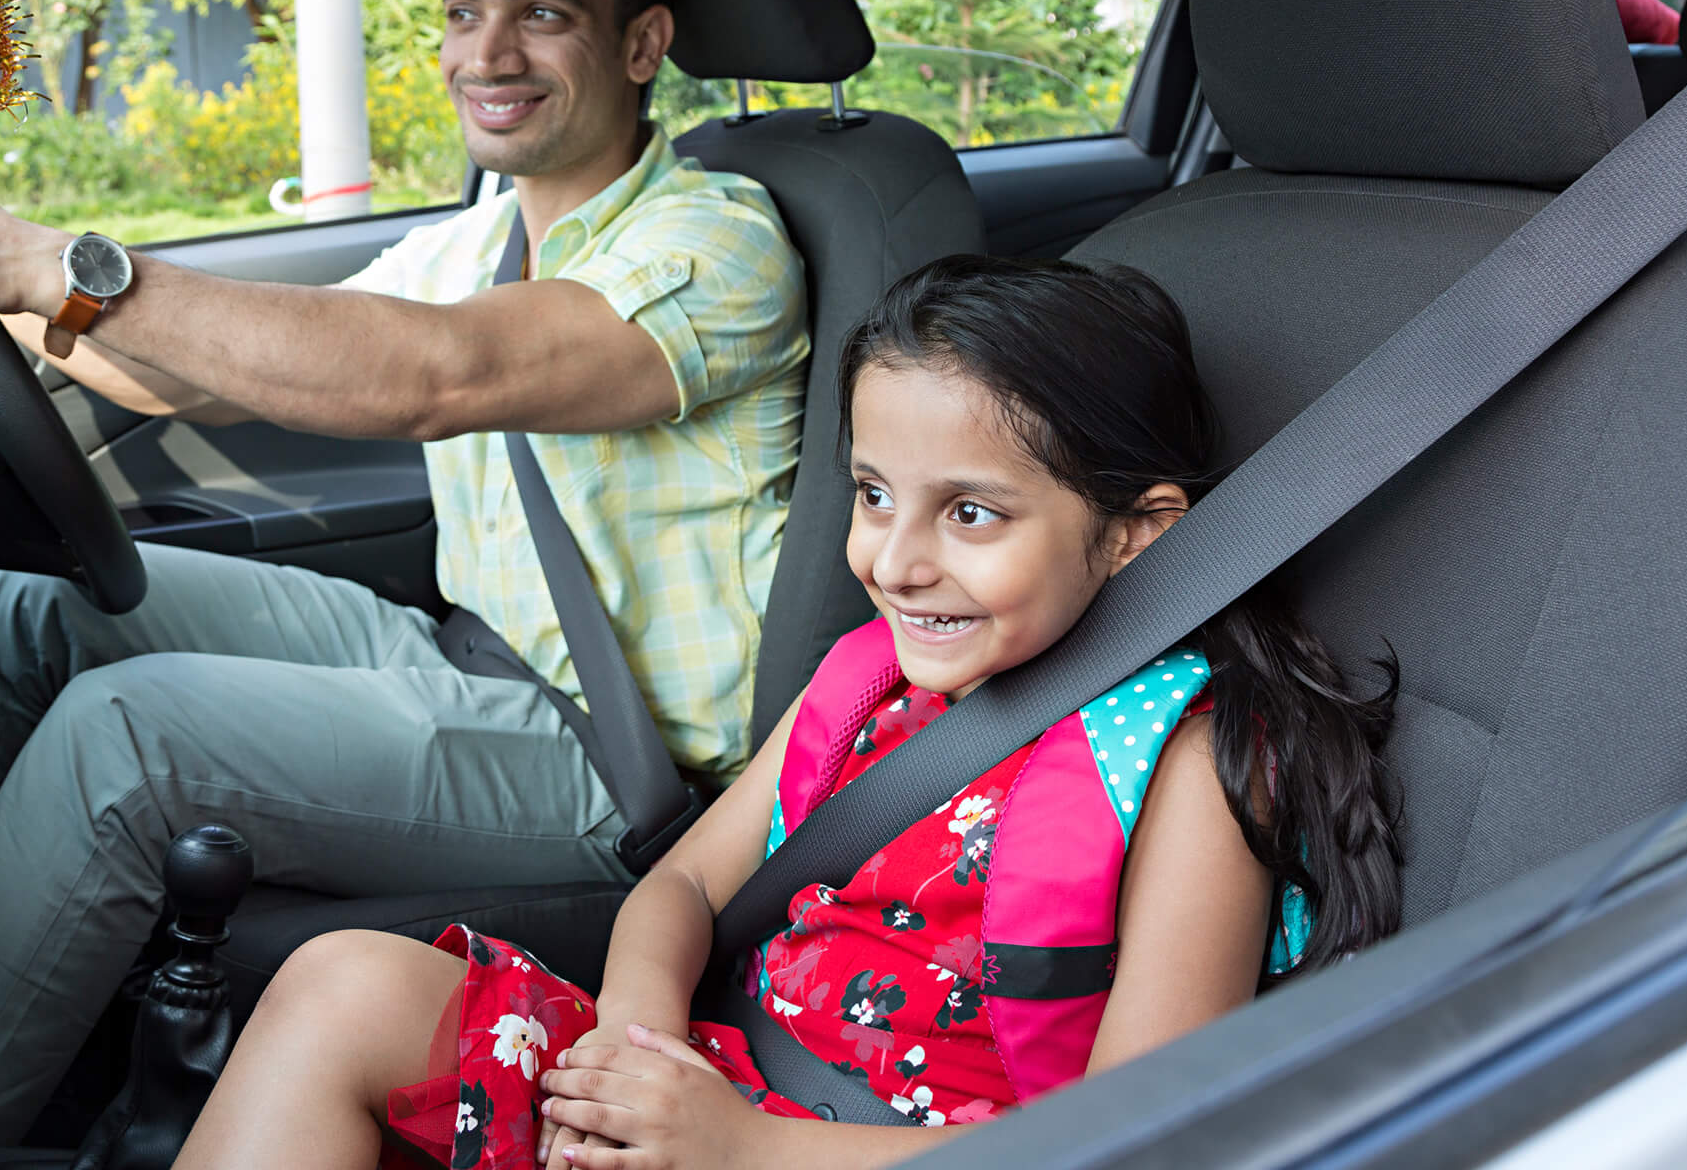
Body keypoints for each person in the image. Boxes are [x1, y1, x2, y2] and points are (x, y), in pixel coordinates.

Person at [0, 0, 811, 1142]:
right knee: (25, 607)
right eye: (464, 9)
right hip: (469, 654)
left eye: (542, 11)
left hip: (618, 765)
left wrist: (50, 259)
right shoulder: (473, 237)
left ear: (641, 43)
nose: (486, 50)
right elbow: (210, 377)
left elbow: (441, 375)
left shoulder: (720, 237)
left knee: (131, 736)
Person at [172, 257, 1402, 1170]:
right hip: (712, 1089)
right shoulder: (868, 684)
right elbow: (683, 889)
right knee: (341, 985)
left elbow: (1145, 1141)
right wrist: (639, 1050)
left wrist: (743, 1150)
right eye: (874, 494)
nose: (895, 559)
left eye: (970, 514)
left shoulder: (1190, 767)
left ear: (1137, 533)